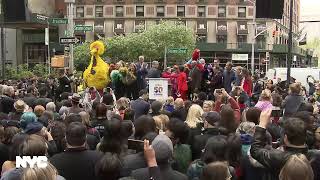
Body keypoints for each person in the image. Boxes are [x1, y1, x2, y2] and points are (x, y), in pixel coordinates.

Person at [250, 109, 320, 178]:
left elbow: (255, 150)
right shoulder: (316, 156)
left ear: (285, 138)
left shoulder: (277, 157)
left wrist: (262, 124)